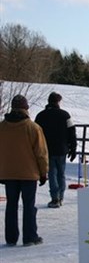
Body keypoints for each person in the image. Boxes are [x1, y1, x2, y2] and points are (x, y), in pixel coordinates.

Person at [0, 95, 48, 246]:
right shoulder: (33, 127)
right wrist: (43, 172)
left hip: (8, 173)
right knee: (29, 205)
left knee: (11, 205)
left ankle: (11, 237)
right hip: (29, 173)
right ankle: (30, 236)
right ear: (26, 108)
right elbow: (41, 153)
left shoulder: (2, 127)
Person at [35, 92, 77, 208]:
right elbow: (72, 131)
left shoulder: (41, 116)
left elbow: (35, 133)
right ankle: (61, 196)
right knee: (61, 173)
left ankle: (55, 198)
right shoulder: (65, 115)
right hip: (62, 149)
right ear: (58, 102)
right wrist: (73, 147)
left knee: (52, 173)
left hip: (47, 149)